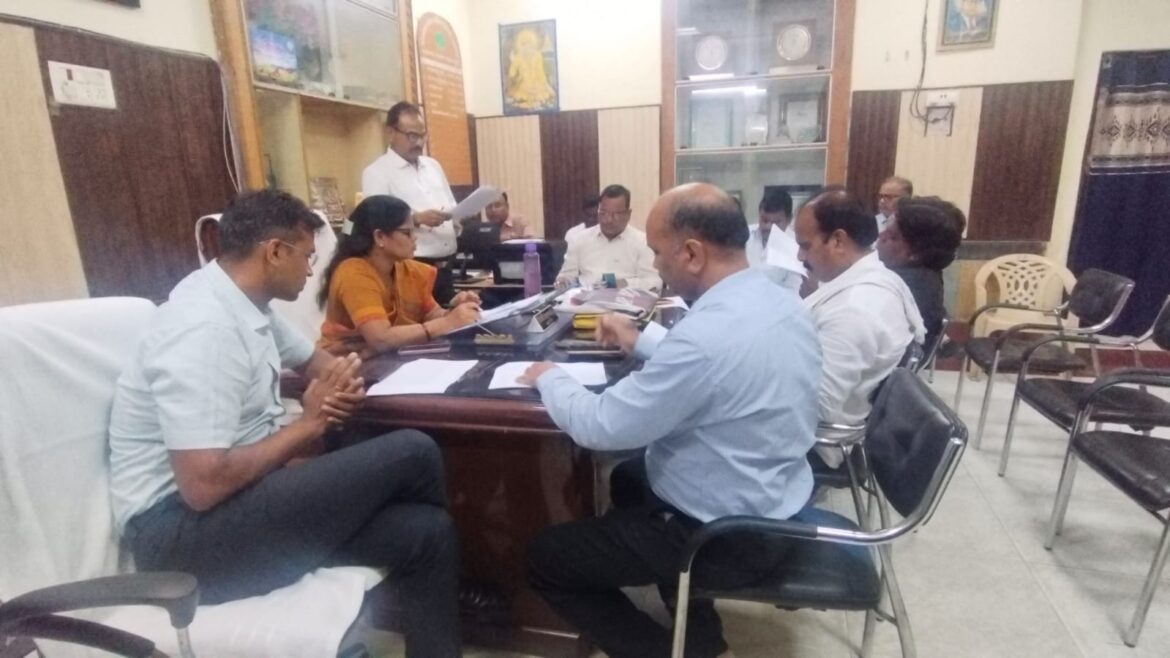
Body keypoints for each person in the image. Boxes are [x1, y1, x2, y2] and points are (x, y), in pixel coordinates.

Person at [107, 190, 460, 656]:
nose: (312, 272)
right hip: (182, 542)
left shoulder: (245, 304)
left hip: (236, 507)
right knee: (413, 449)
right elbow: (202, 486)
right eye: (307, 257)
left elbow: (319, 364)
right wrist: (309, 425)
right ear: (274, 252)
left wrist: (341, 384)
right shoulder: (204, 330)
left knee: (427, 530)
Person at [522, 183, 821, 658]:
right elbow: (722, 365)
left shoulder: (705, 335)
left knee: (544, 558)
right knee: (629, 478)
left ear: (692, 254)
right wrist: (639, 338)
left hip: (722, 536)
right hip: (778, 502)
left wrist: (549, 377)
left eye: (659, 253)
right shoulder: (778, 299)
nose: (657, 265)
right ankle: (699, 633)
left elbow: (602, 426)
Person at [795, 189, 925, 468]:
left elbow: (816, 406)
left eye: (805, 246)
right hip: (826, 417)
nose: (799, 256)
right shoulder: (878, 278)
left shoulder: (854, 310)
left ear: (838, 241)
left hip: (820, 444)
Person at [317, 195, 482, 356]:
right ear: (380, 237)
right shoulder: (353, 273)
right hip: (345, 364)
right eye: (407, 232)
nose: (414, 238)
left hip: (392, 358)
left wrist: (455, 311)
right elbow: (380, 339)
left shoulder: (407, 270)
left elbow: (431, 314)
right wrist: (447, 323)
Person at [362, 101, 460, 305]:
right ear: (390, 133)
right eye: (412, 136)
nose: (419, 142)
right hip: (412, 267)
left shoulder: (433, 166)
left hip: (446, 267)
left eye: (422, 135)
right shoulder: (377, 173)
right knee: (422, 321)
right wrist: (416, 219)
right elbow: (377, 224)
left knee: (451, 318)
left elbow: (451, 204)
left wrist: (458, 218)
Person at [876, 196, 966, 350]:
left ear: (916, 253)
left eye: (892, 236)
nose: (881, 236)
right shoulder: (924, 273)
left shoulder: (900, 287)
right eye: (885, 228)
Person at [554, 184, 661, 290]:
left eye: (616, 214)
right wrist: (563, 281)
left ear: (628, 214)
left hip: (626, 297)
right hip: (586, 297)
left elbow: (654, 282)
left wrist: (624, 283)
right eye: (603, 213)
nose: (608, 220)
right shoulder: (579, 239)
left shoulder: (643, 242)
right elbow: (567, 275)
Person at [745, 188, 804, 292]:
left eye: (776, 223)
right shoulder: (743, 235)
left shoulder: (796, 246)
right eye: (765, 220)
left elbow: (793, 288)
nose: (768, 227)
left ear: (789, 220)